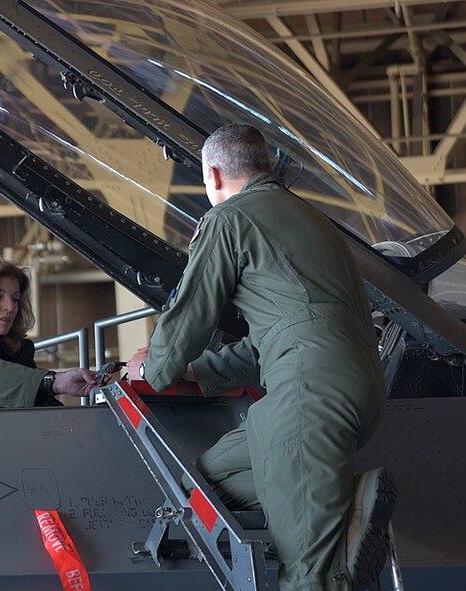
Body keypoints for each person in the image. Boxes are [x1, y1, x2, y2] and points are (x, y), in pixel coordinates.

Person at [127, 125, 394, 591]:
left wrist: (155, 368)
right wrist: (196, 370)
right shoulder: (314, 222)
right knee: (203, 485)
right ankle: (338, 497)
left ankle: (325, 507)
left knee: (310, 579)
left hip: (309, 395)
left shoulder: (229, 219)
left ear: (213, 175)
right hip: (355, 389)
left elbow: (190, 313)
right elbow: (275, 338)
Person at [0, 256, 97, 408]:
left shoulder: (18, 351)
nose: (10, 307)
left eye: (15, 299)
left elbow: (41, 404)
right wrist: (55, 381)